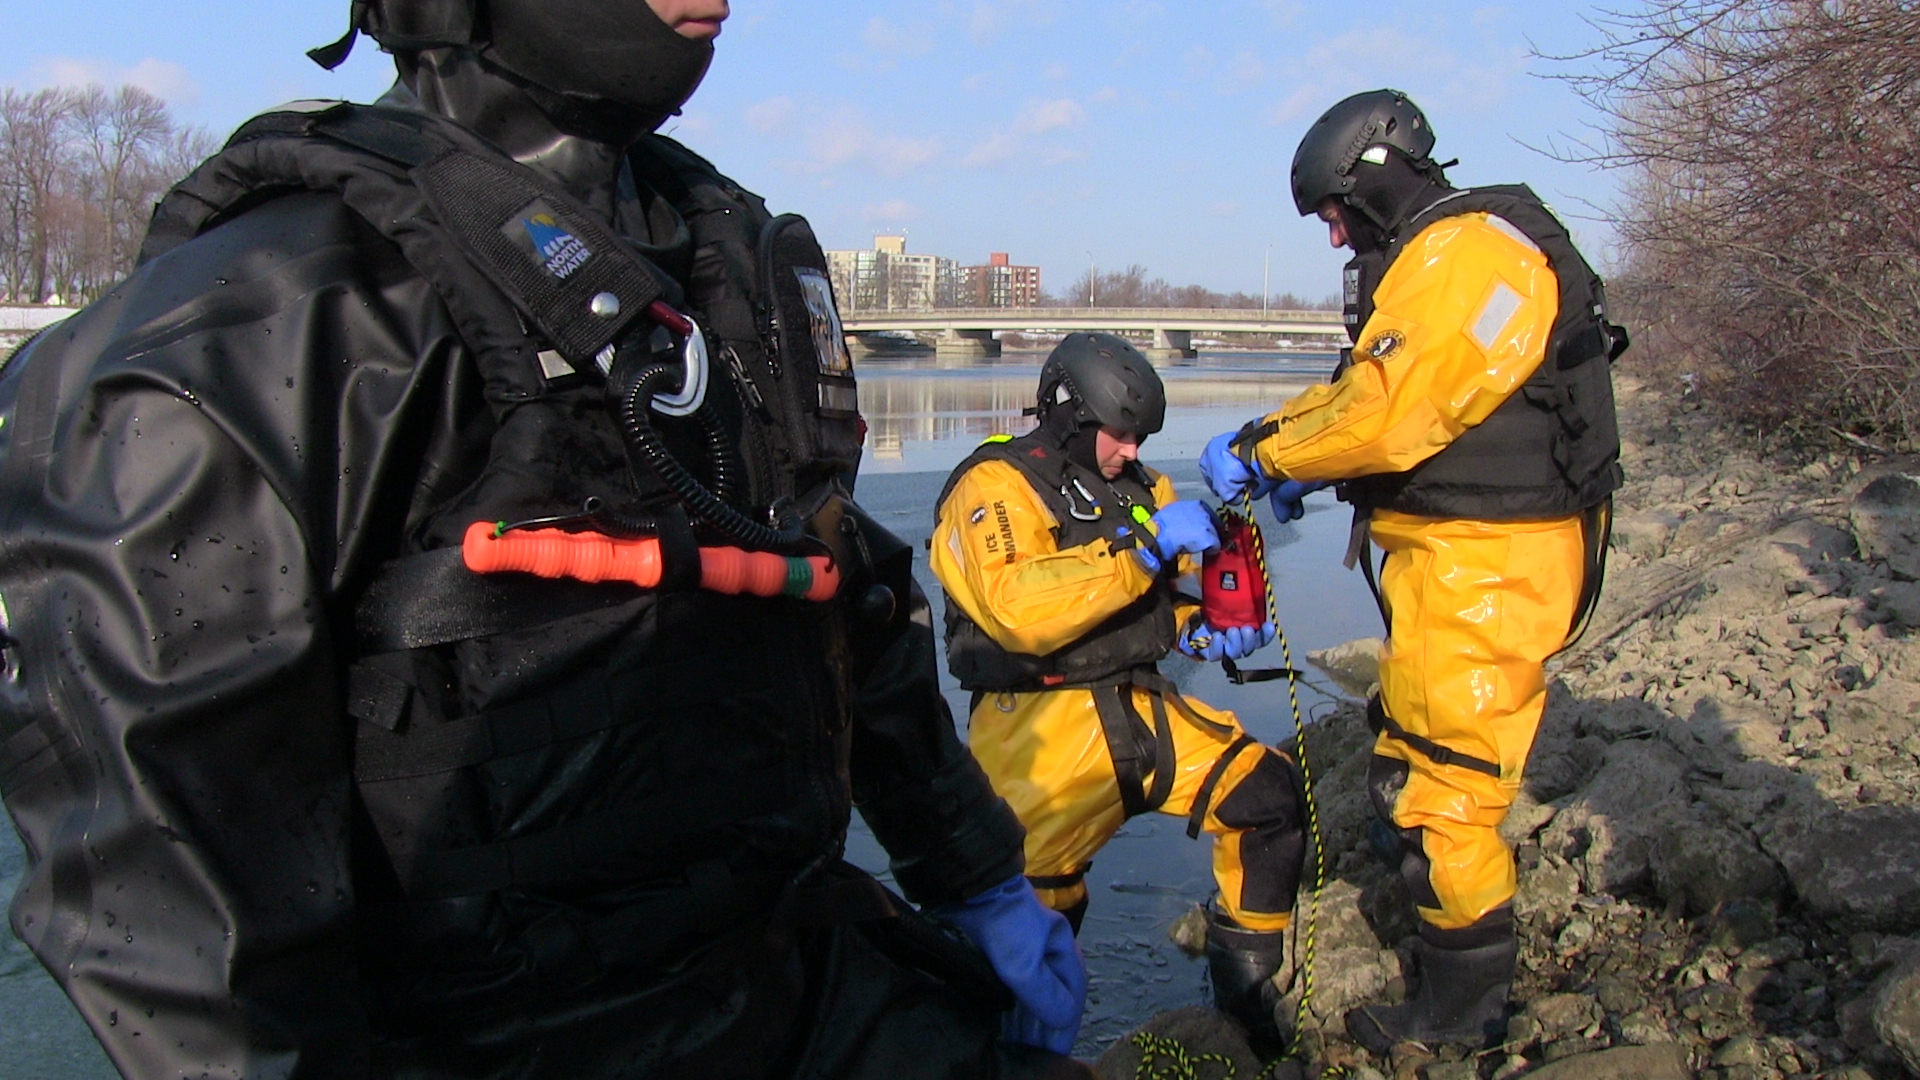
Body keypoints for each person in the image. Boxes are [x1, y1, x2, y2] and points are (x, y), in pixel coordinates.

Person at [0, 2, 1092, 1076]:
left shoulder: (730, 271)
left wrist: (975, 873)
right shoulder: (264, 330)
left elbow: (836, 587)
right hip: (486, 1042)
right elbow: (165, 870)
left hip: (798, 982)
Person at [1199, 89, 1624, 1052]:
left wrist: (1269, 455)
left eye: (1336, 211)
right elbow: (1371, 391)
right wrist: (1288, 440)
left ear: (1375, 176)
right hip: (1465, 556)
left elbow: (1389, 407)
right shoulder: (1446, 258)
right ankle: (1437, 931)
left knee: (1452, 780)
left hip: (1488, 563)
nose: (1335, 233)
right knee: (1420, 742)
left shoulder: (1468, 255)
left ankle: (1460, 1013)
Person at [930, 333, 1309, 1050]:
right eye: (1123, 434)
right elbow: (1017, 606)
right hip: (1037, 735)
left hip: (1141, 709)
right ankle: (1007, 1054)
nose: (1134, 451)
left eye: (1142, 438)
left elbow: (1170, 592)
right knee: (1025, 936)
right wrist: (1139, 553)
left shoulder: (1141, 490)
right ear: (1072, 415)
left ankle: (1246, 1018)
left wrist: (1205, 624)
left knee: (1270, 802)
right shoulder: (992, 486)